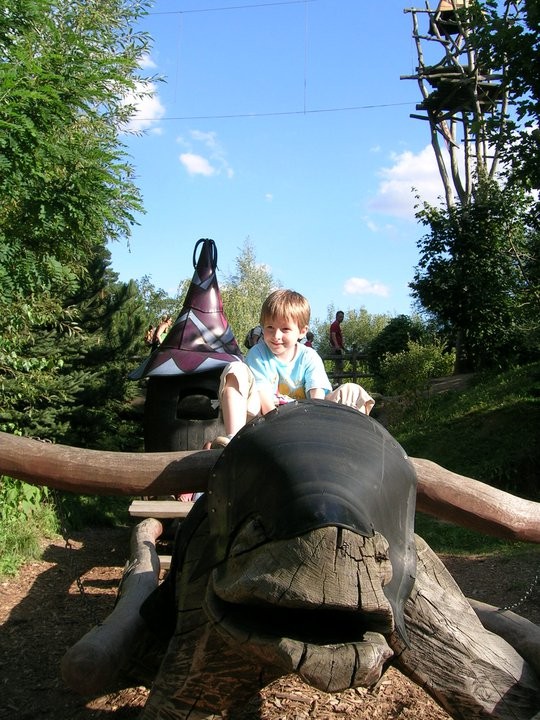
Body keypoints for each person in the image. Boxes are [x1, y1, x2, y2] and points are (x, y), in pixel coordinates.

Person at [210, 290, 374, 449]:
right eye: (270, 327)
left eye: (285, 329)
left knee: (353, 391)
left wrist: (309, 425)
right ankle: (234, 440)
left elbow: (317, 397)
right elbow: (264, 398)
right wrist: (280, 429)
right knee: (236, 370)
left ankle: (349, 443)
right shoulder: (258, 353)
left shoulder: (309, 356)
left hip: (310, 418)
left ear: (302, 331)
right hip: (265, 421)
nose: (276, 336)